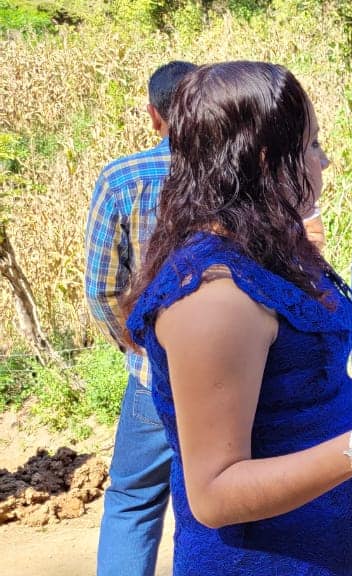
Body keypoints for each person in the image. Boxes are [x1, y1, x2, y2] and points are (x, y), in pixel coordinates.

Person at [122, 61, 352, 575]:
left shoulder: (268, 251)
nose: (323, 161)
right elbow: (214, 493)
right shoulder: (214, 297)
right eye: (310, 145)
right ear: (264, 161)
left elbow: (304, 386)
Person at [85, 59, 194, 576]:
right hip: (240, 379)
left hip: (154, 374)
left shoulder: (121, 178)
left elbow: (102, 287)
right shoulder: (241, 175)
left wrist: (137, 344)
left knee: (133, 500)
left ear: (155, 116)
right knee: (223, 496)